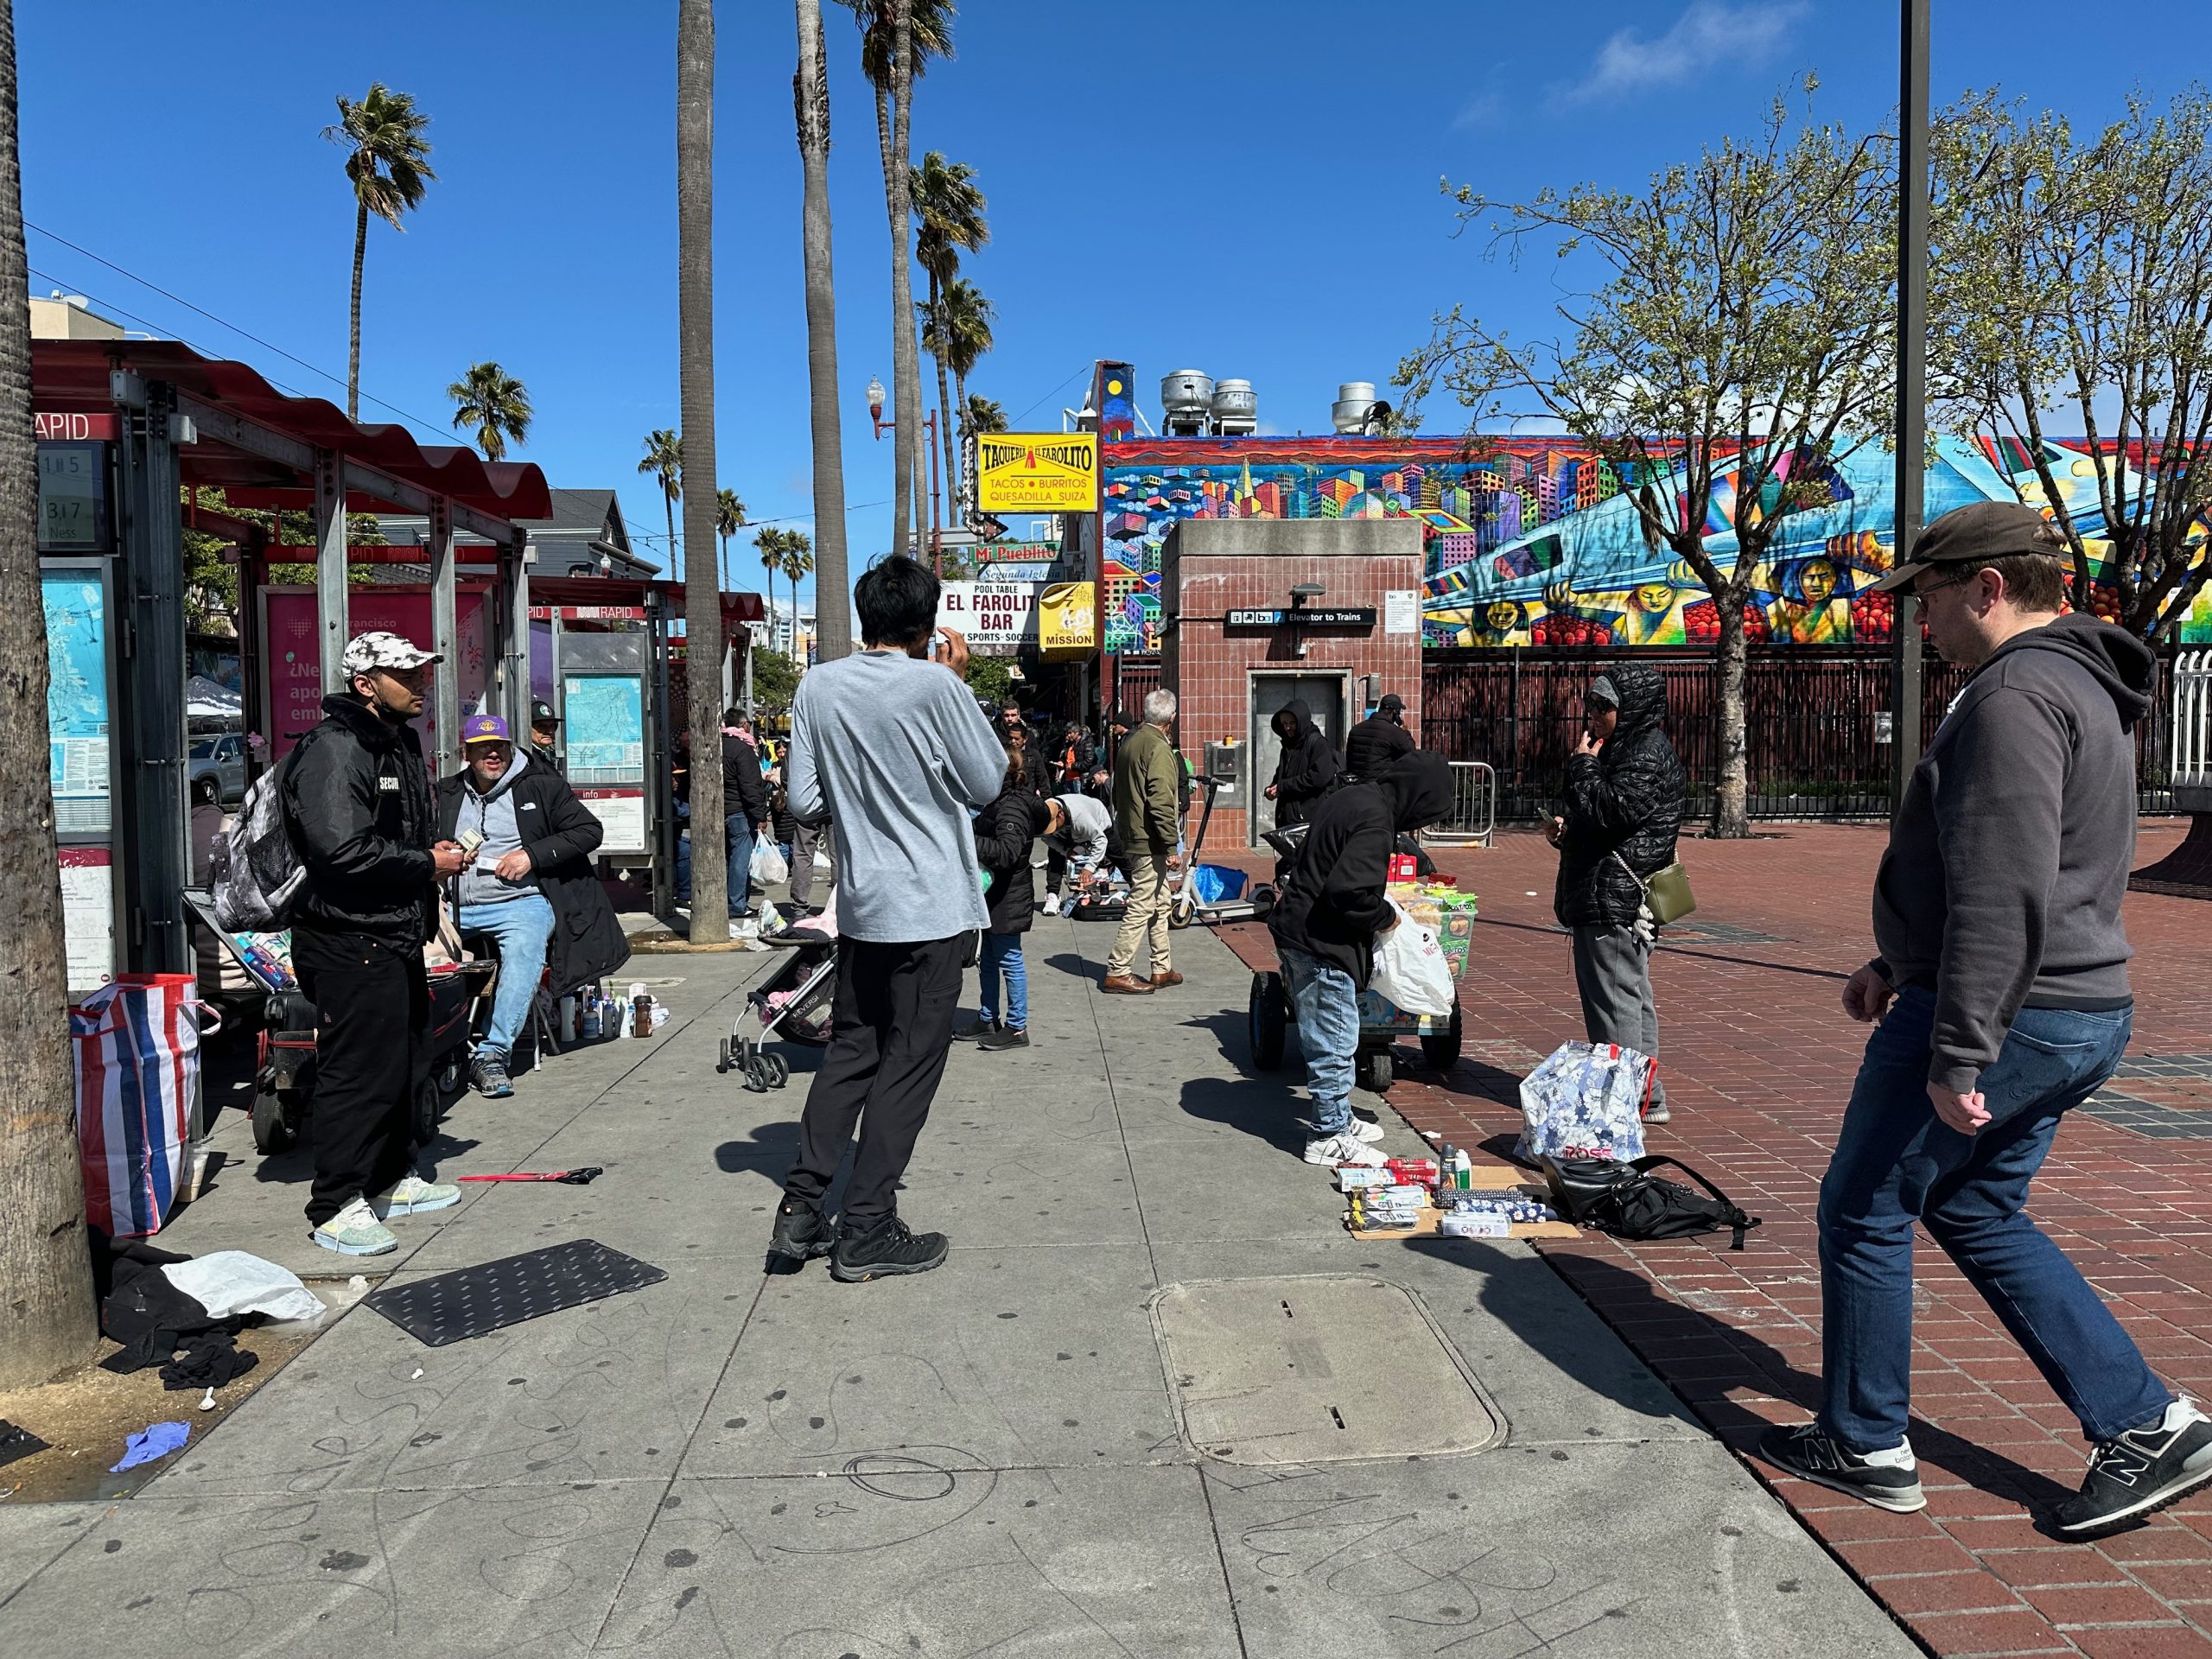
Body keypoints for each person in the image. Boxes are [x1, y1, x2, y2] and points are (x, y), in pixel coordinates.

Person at [1758, 501, 2212, 1536]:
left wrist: (1959, 1045)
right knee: (1971, 1209)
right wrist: (1898, 957)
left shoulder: (2010, 695)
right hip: (2071, 1008)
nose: (1921, 620)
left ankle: (1865, 1444)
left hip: (2003, 1015)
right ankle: (2149, 1423)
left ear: (1987, 588)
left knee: (1863, 1208)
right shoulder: (2079, 685)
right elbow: (2016, 870)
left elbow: (2004, 885)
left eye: (1926, 597)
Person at [772, 556, 1007, 1281]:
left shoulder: (817, 685)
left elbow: (805, 803)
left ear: (865, 613)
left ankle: (803, 1207)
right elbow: (986, 779)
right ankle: (868, 1224)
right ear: (927, 621)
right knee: (911, 1065)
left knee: (851, 1053)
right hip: (933, 907)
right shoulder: (937, 684)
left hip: (865, 906)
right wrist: (957, 690)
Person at [281, 632, 469, 1256]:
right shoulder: (334, 749)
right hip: (344, 936)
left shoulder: (398, 741)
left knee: (405, 1062)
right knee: (357, 1073)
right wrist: (427, 864)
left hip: (391, 933)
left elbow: (401, 831)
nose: (420, 683)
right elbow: (340, 850)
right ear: (365, 684)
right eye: (406, 674)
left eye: (421, 672)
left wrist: (431, 859)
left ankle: (390, 1180)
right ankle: (335, 1204)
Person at [1268, 751, 1454, 1166]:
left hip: (1301, 926)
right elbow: (1349, 893)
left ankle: (1338, 1115)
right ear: (1418, 797)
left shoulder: (1354, 796)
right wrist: (1387, 917)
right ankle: (1327, 1135)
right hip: (1320, 939)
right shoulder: (1375, 820)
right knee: (1334, 1039)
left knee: (1334, 1030)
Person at [436, 714, 630, 1097]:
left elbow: (589, 831)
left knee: (524, 951)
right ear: (466, 753)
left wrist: (531, 856)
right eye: (482, 749)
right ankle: (433, 1048)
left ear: (510, 747)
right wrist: (438, 851)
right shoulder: (447, 791)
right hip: (453, 904)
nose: (493, 755)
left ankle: (492, 1054)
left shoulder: (540, 785)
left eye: (500, 747)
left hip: (519, 902)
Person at [1544, 664, 1684, 1124]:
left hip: (1618, 896)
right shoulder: (1625, 747)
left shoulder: (1644, 750)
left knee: (1616, 1002)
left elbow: (1612, 809)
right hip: (1609, 890)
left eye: (1604, 707)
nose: (1593, 715)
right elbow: (1608, 819)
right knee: (1627, 996)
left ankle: (1627, 1099)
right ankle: (1646, 1094)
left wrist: (1581, 765)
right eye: (1590, 704)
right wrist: (1568, 830)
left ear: (1631, 708)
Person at [961, 745, 1052, 1051]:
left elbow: (1007, 853)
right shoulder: (1001, 801)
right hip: (997, 893)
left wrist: (967, 840)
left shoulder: (1011, 806)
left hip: (1008, 894)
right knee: (988, 958)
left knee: (1009, 960)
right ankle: (988, 1017)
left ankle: (1016, 1027)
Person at [1102, 688, 1183, 995]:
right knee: (1143, 902)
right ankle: (1118, 969)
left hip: (1133, 831)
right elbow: (1160, 799)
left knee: (1160, 900)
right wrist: (1171, 845)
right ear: (1171, 718)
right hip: (1147, 838)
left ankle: (1161, 967)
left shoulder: (1131, 741)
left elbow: (1118, 790)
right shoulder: (1157, 747)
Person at [1263, 699, 1342, 829]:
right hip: (1288, 817)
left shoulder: (1317, 743)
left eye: (1292, 723)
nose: (1288, 727)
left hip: (1308, 818)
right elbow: (1282, 774)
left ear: (1301, 721)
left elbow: (1318, 777)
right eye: (1285, 723)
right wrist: (1272, 788)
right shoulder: (1288, 746)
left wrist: (1282, 787)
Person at [1040, 787, 1113, 915]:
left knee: (1118, 856)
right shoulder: (1045, 814)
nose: (1053, 829)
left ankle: (1137, 892)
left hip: (1099, 822)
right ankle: (1052, 895)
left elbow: (1101, 840)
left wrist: (1090, 867)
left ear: (1061, 814)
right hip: (1070, 832)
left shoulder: (1081, 818)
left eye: (1055, 825)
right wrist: (1065, 851)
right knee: (1055, 854)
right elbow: (1047, 838)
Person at [1343, 693, 1415, 784]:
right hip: (1378, 786)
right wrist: (1404, 730)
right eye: (1399, 712)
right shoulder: (1394, 732)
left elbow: (1349, 757)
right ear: (1395, 712)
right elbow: (1411, 751)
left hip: (1355, 785)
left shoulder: (1355, 729)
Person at [527, 698, 563, 772]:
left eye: (552, 725)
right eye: (541, 726)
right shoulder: (527, 759)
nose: (549, 731)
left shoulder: (547, 754)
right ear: (527, 729)